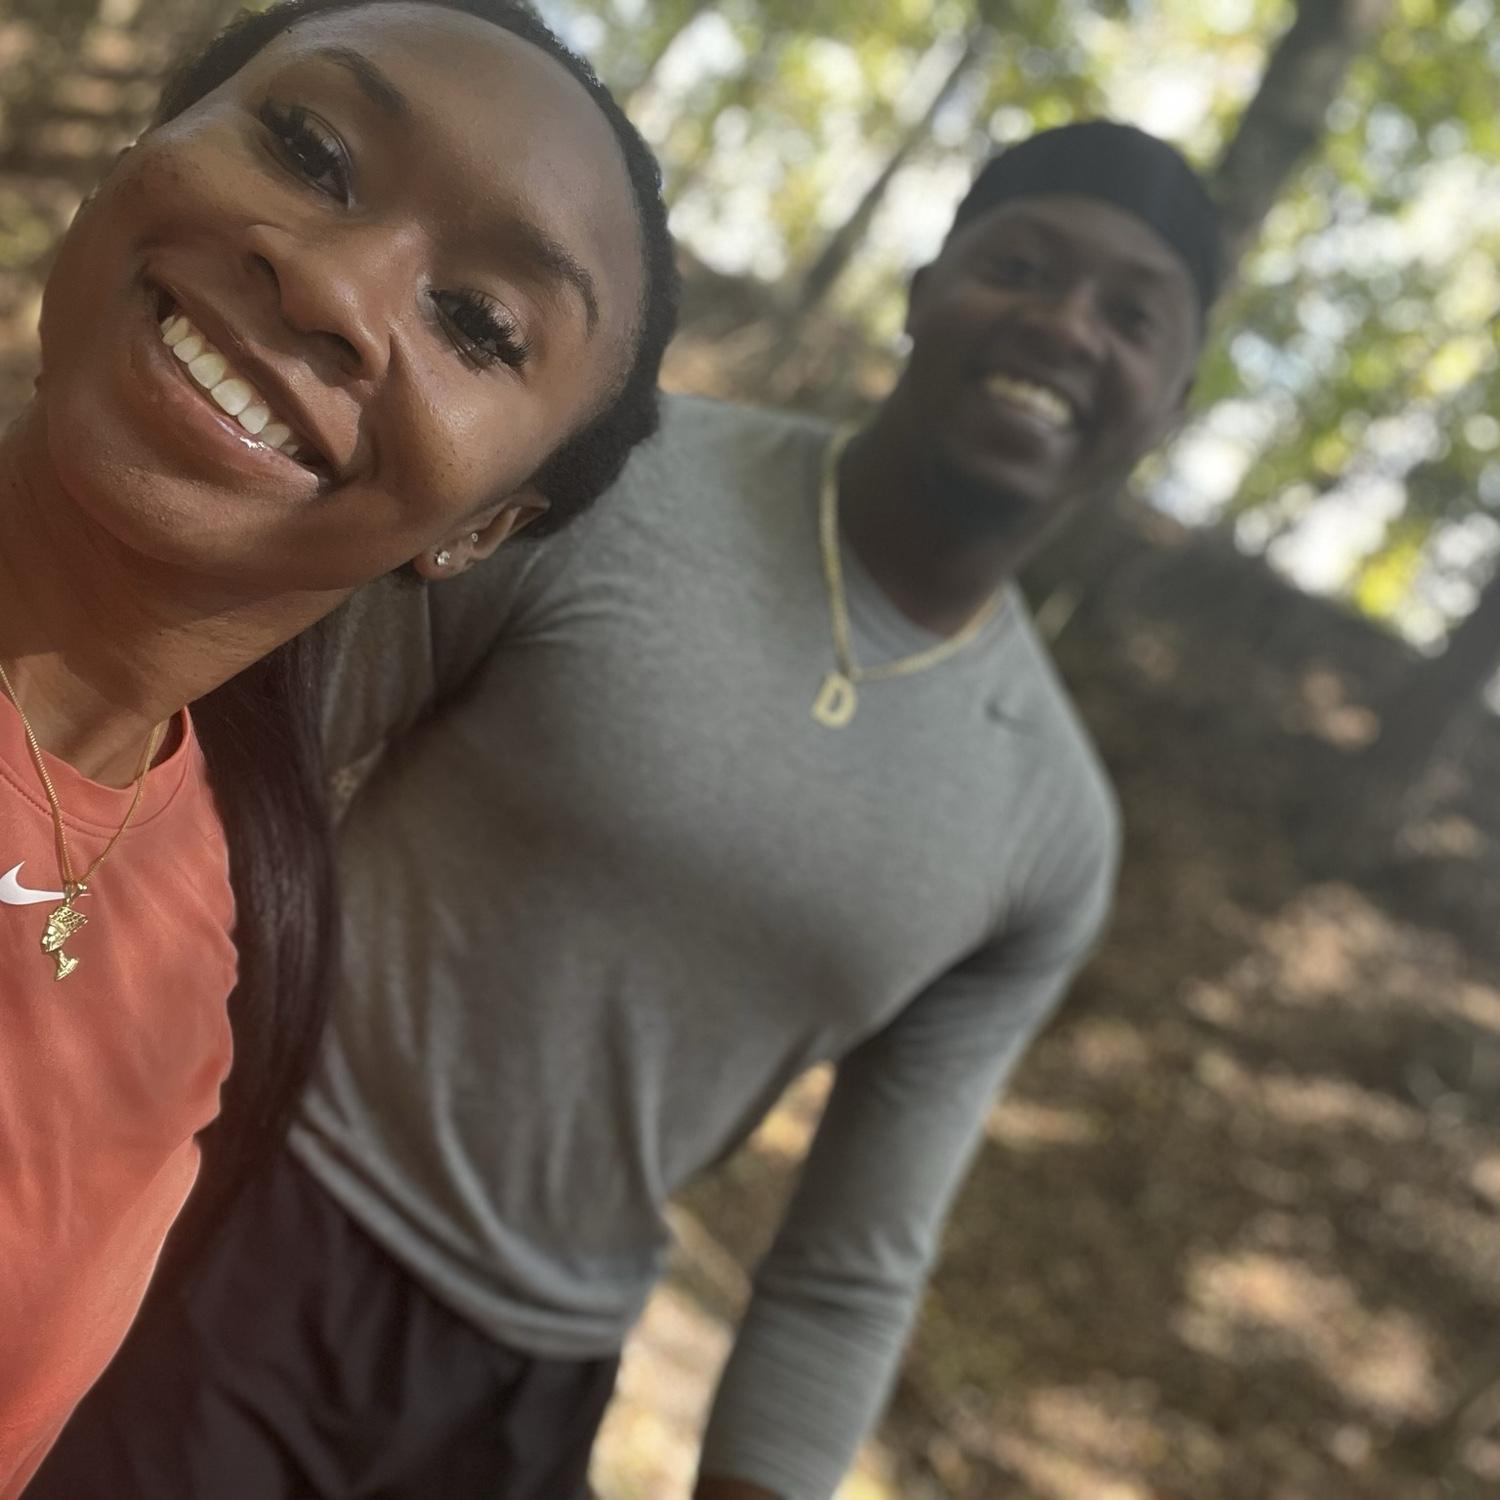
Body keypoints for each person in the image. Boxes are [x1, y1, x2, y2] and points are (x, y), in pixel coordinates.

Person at [35, 122, 1219, 1500]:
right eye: (1021, 267)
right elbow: (242, 782)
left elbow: (849, 1269)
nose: (1065, 326)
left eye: (1132, 316)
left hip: (522, 1402)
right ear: (924, 291)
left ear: (1173, 403)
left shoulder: (1050, 830)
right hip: (236, 1214)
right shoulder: (614, 490)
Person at [0, 0, 676, 1492]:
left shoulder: (228, 945)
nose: (329, 283)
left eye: (479, 323)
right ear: (142, 148)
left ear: (484, 530)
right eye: (309, 148)